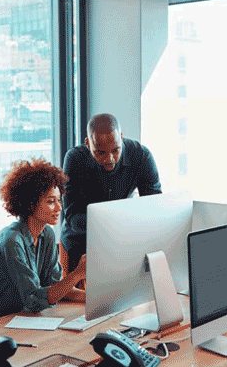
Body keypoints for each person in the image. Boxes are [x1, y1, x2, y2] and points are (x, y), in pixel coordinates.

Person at [0, 158, 86, 328]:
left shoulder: (47, 235)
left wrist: (99, 299)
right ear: (30, 204)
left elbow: (56, 289)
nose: (59, 208)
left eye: (59, 200)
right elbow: (35, 300)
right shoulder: (12, 242)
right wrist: (76, 275)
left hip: (8, 320)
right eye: (51, 201)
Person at [60, 113, 161, 272]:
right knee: (81, 297)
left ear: (121, 137)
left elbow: (154, 206)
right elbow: (73, 216)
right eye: (100, 152)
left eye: (115, 150)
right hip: (79, 244)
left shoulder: (141, 156)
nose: (110, 159)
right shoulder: (74, 159)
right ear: (88, 144)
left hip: (121, 243)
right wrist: (115, 225)